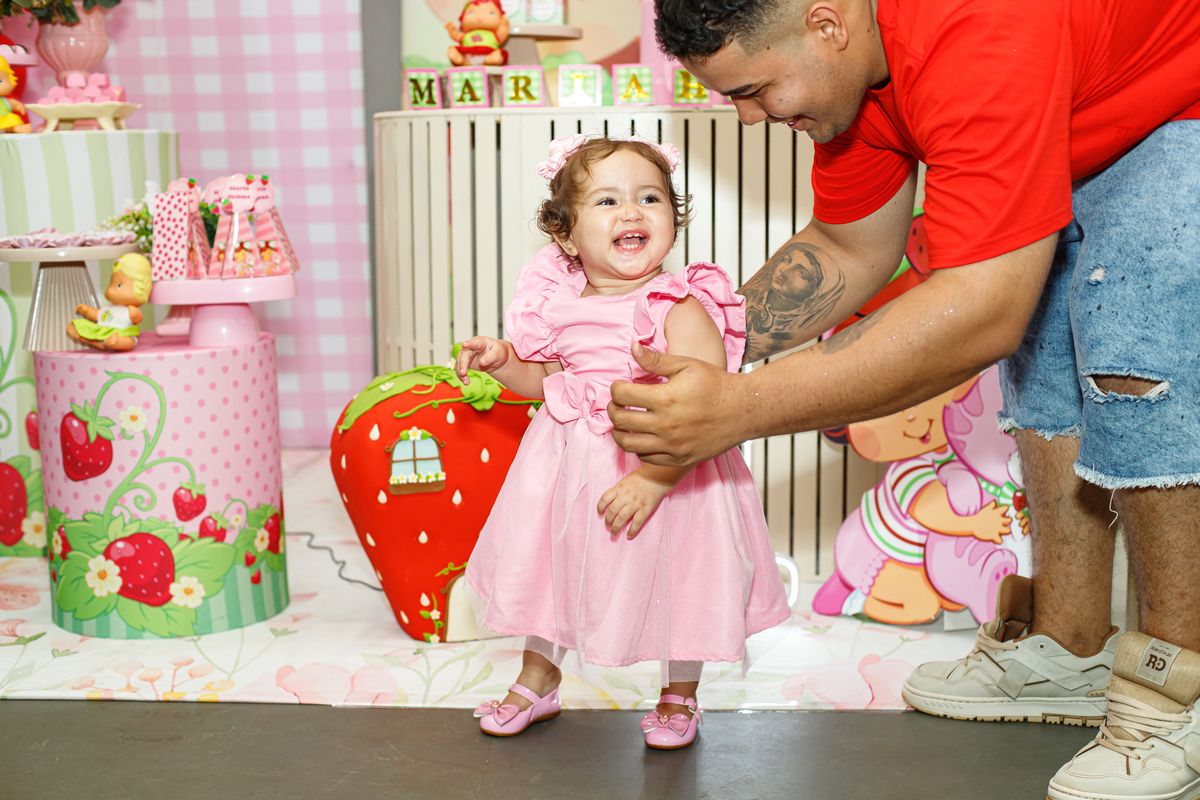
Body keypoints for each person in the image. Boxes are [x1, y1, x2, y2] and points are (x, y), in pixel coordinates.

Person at [605, 0, 1200, 796]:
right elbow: (850, 248)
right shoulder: (854, 72)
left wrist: (738, 409)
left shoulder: (977, 30)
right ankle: (1071, 651)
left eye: (752, 89)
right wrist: (688, 341)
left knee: (1139, 356)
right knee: (1045, 358)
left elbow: (980, 311)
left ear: (825, 26)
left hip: (1181, 106)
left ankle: (1180, 685)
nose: (748, 117)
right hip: (1085, 99)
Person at [455, 134, 791, 750]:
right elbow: (547, 379)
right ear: (566, 236)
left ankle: (679, 692)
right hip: (570, 469)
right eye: (607, 201)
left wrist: (655, 479)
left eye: (650, 198)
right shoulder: (559, 304)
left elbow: (706, 406)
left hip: (668, 469)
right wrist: (503, 361)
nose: (632, 211)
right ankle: (538, 678)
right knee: (554, 572)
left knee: (681, 576)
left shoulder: (678, 306)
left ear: (673, 220)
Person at [67, 253, 152, 352]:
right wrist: (87, 310)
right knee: (87, 327)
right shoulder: (108, 308)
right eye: (112, 283)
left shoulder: (129, 311)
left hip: (123, 334)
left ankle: (116, 342)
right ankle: (87, 338)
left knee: (129, 341)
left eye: (119, 285)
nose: (110, 290)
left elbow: (138, 319)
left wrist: (136, 315)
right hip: (103, 334)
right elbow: (96, 314)